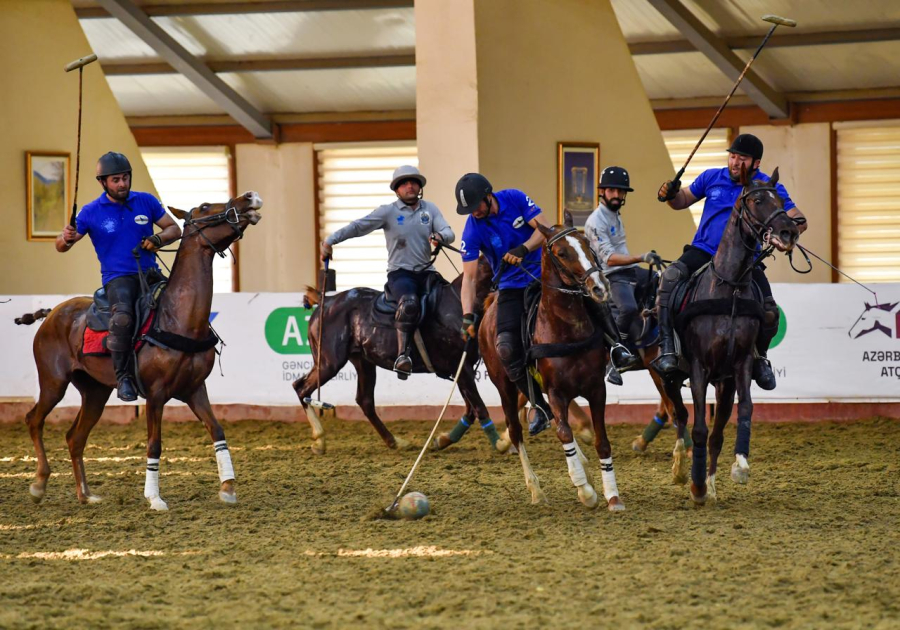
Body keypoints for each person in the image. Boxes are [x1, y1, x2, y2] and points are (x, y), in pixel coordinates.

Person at [455, 173, 638, 437]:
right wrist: (467, 315)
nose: (475, 212)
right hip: (510, 288)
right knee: (505, 348)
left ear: (487, 195)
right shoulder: (472, 229)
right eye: (469, 210)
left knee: (594, 299)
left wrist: (523, 249)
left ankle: (617, 347)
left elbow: (548, 231)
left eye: (476, 206)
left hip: (547, 277)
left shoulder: (514, 198)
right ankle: (539, 406)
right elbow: (469, 278)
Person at [654, 133, 808, 388]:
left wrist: (788, 230)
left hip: (746, 260)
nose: (735, 162)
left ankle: (760, 359)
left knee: (769, 310)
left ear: (756, 163)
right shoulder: (711, 177)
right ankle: (668, 347)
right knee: (668, 279)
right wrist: (669, 193)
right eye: (733, 156)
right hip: (703, 250)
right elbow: (681, 201)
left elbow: (798, 218)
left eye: (743, 158)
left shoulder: (766, 186)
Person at [56, 151, 181, 401]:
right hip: (118, 278)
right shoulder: (91, 212)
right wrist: (65, 238)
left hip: (150, 274)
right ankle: (124, 377)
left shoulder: (147, 201)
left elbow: (174, 228)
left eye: (125, 178)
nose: (122, 183)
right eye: (116, 180)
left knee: (181, 304)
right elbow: (62, 246)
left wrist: (157, 238)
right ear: (103, 182)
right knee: (122, 318)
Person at [320, 165, 454, 379]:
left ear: (419, 186)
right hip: (401, 275)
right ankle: (403, 356)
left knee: (453, 301)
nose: (409, 186)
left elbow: (449, 232)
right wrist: (330, 240)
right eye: (404, 183)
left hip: (428, 273)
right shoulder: (388, 212)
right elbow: (358, 227)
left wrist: (440, 236)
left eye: (413, 182)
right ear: (396, 190)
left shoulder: (430, 209)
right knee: (409, 303)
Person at [584, 166, 659, 385]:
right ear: (603, 192)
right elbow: (609, 259)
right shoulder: (595, 221)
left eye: (621, 191)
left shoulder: (614, 214)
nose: (617, 195)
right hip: (611, 275)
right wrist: (641, 257)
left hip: (627, 270)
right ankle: (617, 357)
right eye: (612, 191)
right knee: (627, 309)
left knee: (666, 281)